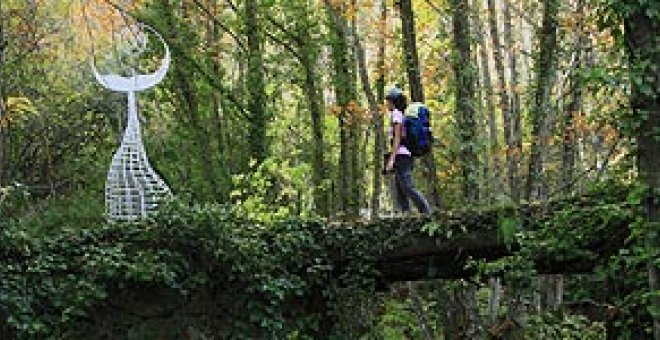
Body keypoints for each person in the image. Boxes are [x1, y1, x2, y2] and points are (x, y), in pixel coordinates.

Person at [384, 86, 431, 214]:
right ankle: (406, 215)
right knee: (400, 189)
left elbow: (397, 138)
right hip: (404, 155)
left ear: (393, 101)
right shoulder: (400, 114)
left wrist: (392, 159)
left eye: (388, 101)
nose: (386, 103)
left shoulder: (396, 114)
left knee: (408, 187)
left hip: (401, 156)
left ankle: (427, 213)